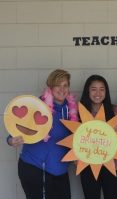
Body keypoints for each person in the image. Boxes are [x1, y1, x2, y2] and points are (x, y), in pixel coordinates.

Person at [7, 69, 78, 199]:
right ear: (50, 87)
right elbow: (16, 130)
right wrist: (11, 140)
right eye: (58, 85)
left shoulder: (72, 110)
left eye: (65, 85)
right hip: (35, 168)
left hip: (60, 170)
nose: (62, 89)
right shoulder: (38, 107)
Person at [79, 75, 117, 199]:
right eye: (93, 89)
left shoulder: (114, 111)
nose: (98, 93)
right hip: (88, 166)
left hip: (113, 166)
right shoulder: (79, 113)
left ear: (106, 92)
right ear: (87, 91)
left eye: (102, 89)